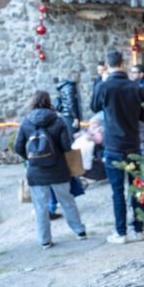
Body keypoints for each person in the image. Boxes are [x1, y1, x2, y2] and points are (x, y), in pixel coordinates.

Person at [91, 49, 144, 244]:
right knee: (136, 188)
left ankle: (121, 232)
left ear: (107, 65)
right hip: (133, 144)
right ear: (123, 63)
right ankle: (140, 229)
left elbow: (94, 107)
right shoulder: (136, 87)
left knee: (117, 190)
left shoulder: (104, 86)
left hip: (114, 145)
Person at [14, 90, 87, 249]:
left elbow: (18, 146)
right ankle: (79, 231)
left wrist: (30, 158)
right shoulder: (58, 121)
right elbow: (66, 146)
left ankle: (45, 240)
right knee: (67, 201)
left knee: (40, 207)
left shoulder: (26, 122)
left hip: (36, 171)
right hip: (58, 169)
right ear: (49, 101)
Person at [49, 73, 85, 219]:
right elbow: (70, 103)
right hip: (70, 118)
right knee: (72, 146)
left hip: (67, 117)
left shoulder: (63, 87)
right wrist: (75, 117)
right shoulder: (69, 87)